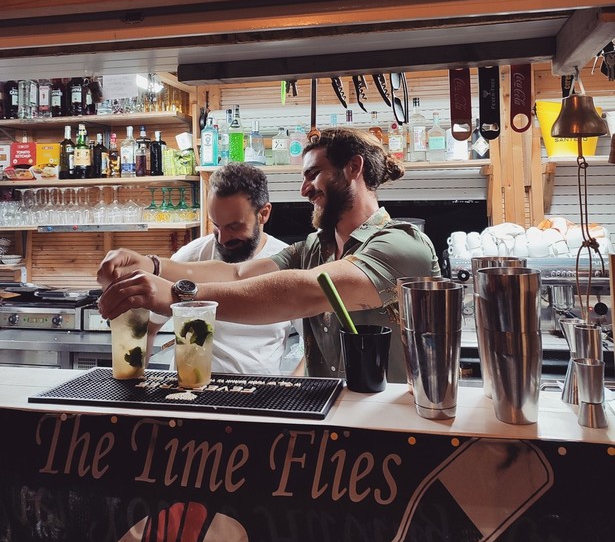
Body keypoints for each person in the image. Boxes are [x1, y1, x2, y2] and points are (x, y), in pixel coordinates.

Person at [98, 128, 440, 381]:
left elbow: (306, 292)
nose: (304, 190)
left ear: (353, 167)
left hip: (391, 422)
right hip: (328, 418)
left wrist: (177, 296)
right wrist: (152, 264)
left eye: (313, 174)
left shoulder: (401, 245)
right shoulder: (313, 249)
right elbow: (237, 273)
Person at [168, 163, 301, 375]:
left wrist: (292, 387)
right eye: (216, 225)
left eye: (234, 226)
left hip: (261, 391)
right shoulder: (190, 257)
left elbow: (315, 344)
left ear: (263, 213)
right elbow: (147, 325)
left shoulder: (290, 264)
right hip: (189, 389)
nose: (222, 238)